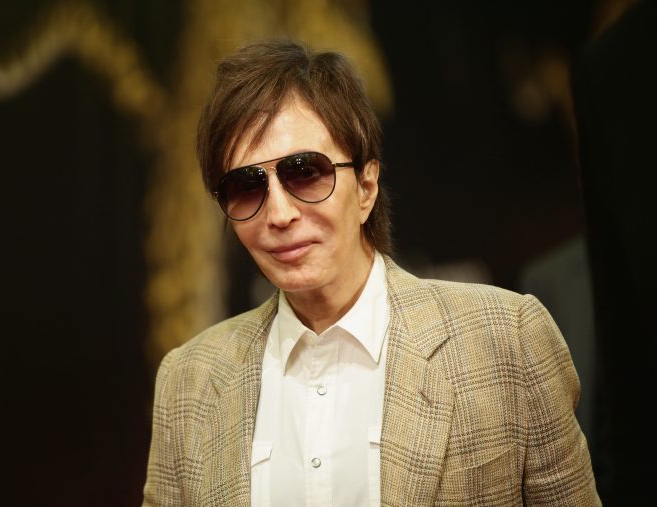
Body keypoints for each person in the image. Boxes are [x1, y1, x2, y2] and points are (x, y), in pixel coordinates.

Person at [142, 39, 599, 506]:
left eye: (304, 173)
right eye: (245, 186)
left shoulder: (506, 341)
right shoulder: (189, 383)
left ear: (366, 187)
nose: (278, 213)